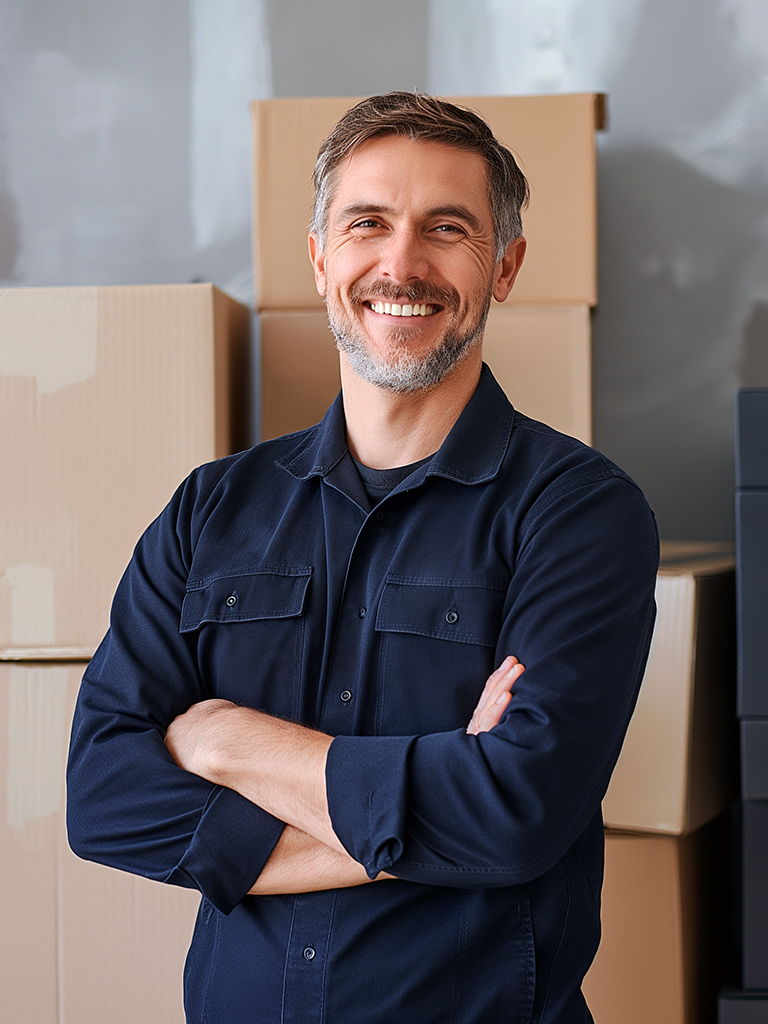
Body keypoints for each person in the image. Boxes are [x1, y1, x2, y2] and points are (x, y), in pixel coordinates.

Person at [67, 91, 659, 1023]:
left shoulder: (579, 514)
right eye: (368, 223)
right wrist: (425, 808)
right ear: (320, 257)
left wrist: (227, 739)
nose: (401, 263)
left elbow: (515, 815)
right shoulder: (210, 509)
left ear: (504, 267)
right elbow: (103, 796)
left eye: (447, 228)